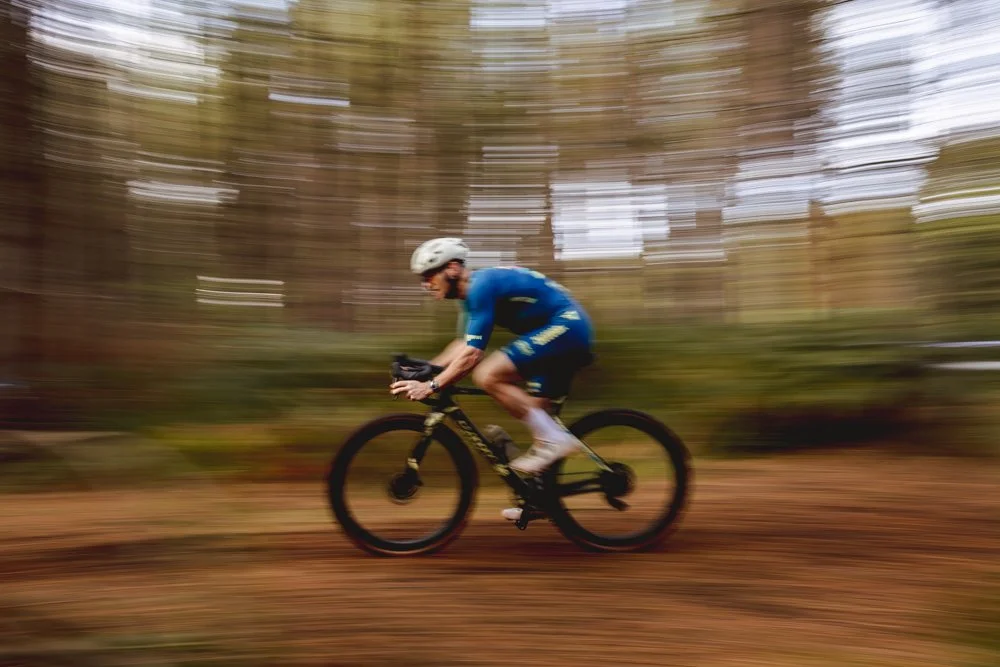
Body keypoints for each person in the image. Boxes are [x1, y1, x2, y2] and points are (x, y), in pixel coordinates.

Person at [389, 237, 595, 521]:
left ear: (452, 268)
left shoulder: (481, 287)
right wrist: (427, 368)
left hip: (567, 327)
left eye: (429, 275)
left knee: (488, 374)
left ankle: (556, 441)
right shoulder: (471, 298)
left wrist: (432, 386)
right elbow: (463, 343)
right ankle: (539, 497)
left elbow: (473, 355)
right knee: (538, 415)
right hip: (558, 332)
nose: (426, 284)